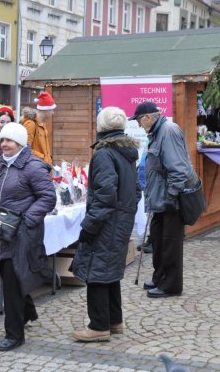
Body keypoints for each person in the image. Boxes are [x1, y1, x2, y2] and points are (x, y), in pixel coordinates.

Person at [71, 107, 141, 342]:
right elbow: (136, 191)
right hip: (120, 220)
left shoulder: (105, 153)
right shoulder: (125, 152)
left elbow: (105, 194)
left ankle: (99, 326)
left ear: (100, 127)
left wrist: (89, 225)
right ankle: (114, 321)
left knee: (97, 271)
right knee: (109, 270)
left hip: (107, 221)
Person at [0, 122, 56, 352]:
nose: (5, 144)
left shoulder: (33, 167)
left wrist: (26, 219)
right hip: (2, 230)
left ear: (20, 143)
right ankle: (28, 311)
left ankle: (14, 335)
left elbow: (48, 197)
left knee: (13, 282)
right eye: (2, 140)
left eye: (10, 141)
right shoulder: (3, 164)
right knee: (9, 275)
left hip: (21, 233)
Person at [130, 101, 196, 298]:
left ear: (148, 117)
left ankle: (171, 285)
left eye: (140, 121)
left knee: (170, 243)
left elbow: (178, 168)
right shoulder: (158, 132)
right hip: (161, 198)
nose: (139, 126)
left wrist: (171, 196)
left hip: (171, 199)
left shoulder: (167, 131)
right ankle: (160, 277)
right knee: (158, 240)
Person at [21, 92, 56, 165]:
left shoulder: (42, 124)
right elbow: (24, 149)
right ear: (45, 110)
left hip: (42, 167)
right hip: (34, 168)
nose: (53, 113)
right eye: (52, 110)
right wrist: (43, 158)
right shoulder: (31, 124)